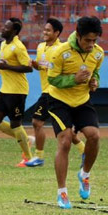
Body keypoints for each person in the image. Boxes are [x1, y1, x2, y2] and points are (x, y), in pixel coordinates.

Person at [48, 16, 103, 209]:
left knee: (94, 136)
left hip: (82, 100)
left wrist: (94, 81)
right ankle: (62, 192)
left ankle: (84, 174)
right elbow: (52, 80)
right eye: (88, 40)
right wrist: (74, 79)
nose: (91, 44)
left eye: (94, 40)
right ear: (78, 35)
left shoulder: (98, 53)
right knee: (64, 141)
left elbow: (95, 73)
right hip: (59, 101)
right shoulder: (60, 51)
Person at [25, 18, 85, 167]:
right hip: (46, 90)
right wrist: (35, 64)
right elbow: (41, 67)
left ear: (57, 33)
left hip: (53, 92)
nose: (44, 32)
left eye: (48, 30)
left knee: (37, 122)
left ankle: (39, 157)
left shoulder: (62, 49)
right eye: (44, 29)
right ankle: (84, 150)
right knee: (64, 129)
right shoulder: (40, 47)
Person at [0, 17, 34, 167]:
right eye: (3, 26)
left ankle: (28, 158)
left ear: (14, 31)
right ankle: (25, 139)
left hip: (17, 91)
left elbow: (28, 68)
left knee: (16, 124)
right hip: (5, 89)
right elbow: (5, 64)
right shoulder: (3, 44)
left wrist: (7, 68)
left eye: (6, 27)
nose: (2, 29)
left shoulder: (19, 47)